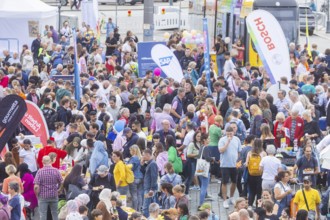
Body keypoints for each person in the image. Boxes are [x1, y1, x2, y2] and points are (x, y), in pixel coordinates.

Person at [218, 126, 242, 208]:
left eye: (230, 134)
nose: (229, 136)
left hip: (234, 164)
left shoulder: (237, 139)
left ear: (233, 133)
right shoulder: (222, 140)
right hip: (225, 164)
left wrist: (237, 161)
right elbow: (221, 150)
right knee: (224, 182)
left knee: (234, 181)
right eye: (227, 134)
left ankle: (231, 197)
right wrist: (227, 142)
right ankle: (225, 200)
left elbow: (239, 151)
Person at [34, 155, 63, 220]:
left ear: (42, 161)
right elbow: (62, 182)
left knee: (43, 214)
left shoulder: (40, 171)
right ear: (50, 161)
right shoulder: (56, 170)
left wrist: (37, 195)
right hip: (54, 194)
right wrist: (59, 189)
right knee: (55, 213)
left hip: (43, 196)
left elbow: (36, 186)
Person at [245, 138, 266, 207]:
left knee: (252, 192)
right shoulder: (263, 153)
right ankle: (258, 206)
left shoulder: (250, 153)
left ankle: (250, 205)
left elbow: (246, 164)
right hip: (260, 175)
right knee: (259, 192)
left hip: (251, 175)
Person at [141, 149, 158, 218]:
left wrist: (152, 189)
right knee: (150, 205)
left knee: (146, 207)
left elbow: (154, 177)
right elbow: (145, 173)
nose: (142, 157)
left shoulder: (153, 164)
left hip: (149, 189)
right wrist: (142, 165)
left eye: (143, 155)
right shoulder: (149, 163)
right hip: (148, 188)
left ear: (148, 155)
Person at [128, 145, 144, 211]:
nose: (130, 152)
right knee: (139, 194)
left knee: (134, 195)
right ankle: (139, 209)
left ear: (133, 151)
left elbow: (131, 167)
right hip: (141, 177)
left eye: (130, 150)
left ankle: (135, 210)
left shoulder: (133, 158)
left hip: (134, 177)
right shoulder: (140, 157)